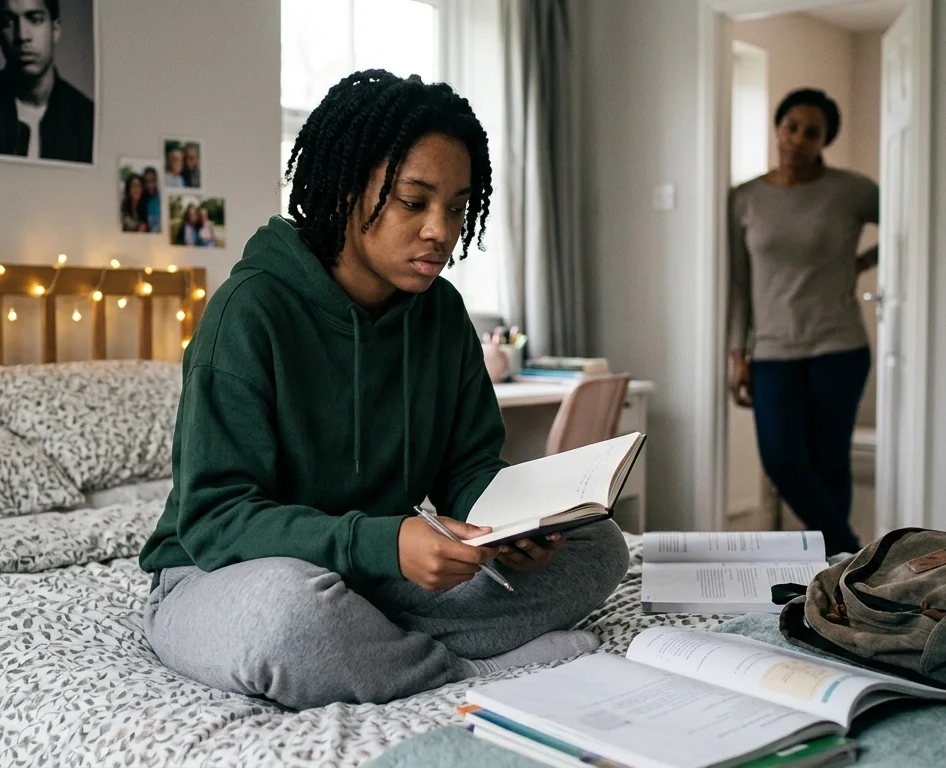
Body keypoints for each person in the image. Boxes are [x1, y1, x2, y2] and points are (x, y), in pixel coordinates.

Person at [139, 69, 628, 710]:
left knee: (599, 546)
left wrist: (514, 527)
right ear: (346, 189)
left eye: (458, 207)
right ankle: (464, 672)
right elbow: (216, 517)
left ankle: (370, 645)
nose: (441, 230)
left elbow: (468, 465)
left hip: (371, 576)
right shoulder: (248, 313)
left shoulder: (442, 314)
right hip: (223, 573)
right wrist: (382, 542)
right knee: (288, 619)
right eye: (414, 201)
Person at [727, 87, 878, 556]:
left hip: (839, 347)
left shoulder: (852, 191)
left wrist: (861, 262)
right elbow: (737, 280)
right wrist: (737, 353)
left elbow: (912, 226)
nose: (797, 139)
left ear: (824, 140)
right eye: (791, 126)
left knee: (830, 460)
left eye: (811, 132)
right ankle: (852, 552)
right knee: (781, 459)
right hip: (772, 351)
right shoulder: (745, 198)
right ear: (778, 127)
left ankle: (833, 571)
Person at [0, 0, 94, 163]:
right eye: (7, 22)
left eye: (35, 19)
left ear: (55, 29)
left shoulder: (89, 122)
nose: (22, 36)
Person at [142, 166, 162, 232]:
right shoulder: (142, 201)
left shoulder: (161, 199)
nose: (150, 185)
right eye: (147, 182)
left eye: (153, 181)